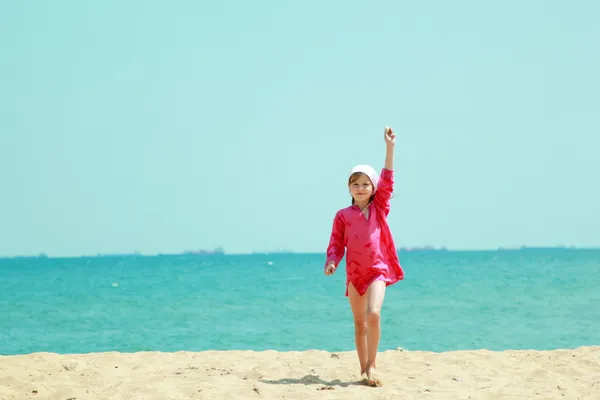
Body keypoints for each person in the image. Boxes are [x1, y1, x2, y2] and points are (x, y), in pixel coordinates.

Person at [324, 126, 404, 387]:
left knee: (374, 315)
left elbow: (388, 179)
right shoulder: (343, 216)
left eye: (365, 184)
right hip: (354, 274)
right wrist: (332, 261)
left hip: (377, 271)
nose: (360, 188)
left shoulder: (380, 208)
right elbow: (336, 243)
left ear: (373, 188)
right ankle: (363, 368)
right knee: (359, 323)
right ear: (349, 188)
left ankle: (373, 364)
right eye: (355, 184)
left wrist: (390, 147)